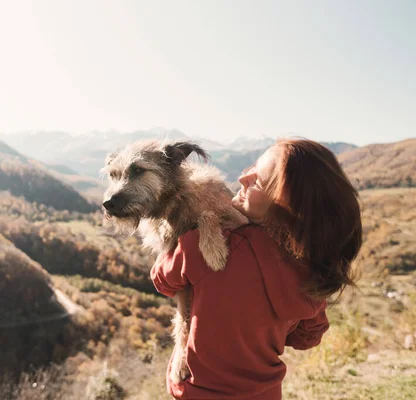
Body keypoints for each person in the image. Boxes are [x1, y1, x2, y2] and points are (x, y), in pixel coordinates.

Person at [150, 138, 363, 399]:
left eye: (258, 178)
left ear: (286, 200)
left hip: (199, 391)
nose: (243, 179)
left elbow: (163, 280)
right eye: (250, 167)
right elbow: (309, 336)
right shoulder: (312, 268)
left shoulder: (213, 245)